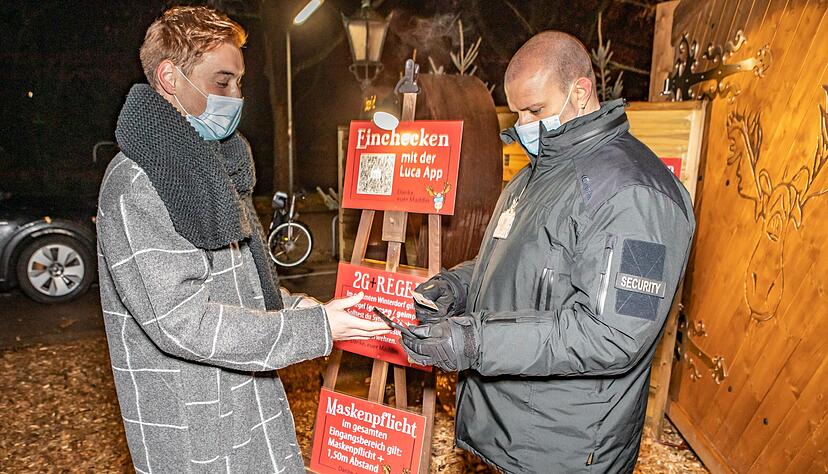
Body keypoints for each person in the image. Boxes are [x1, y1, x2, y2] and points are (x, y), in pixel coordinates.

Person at [96, 7, 390, 473]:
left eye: (238, 82)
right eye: (222, 82)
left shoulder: (206, 169)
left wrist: (301, 309)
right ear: (170, 77)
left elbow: (240, 287)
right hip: (194, 427)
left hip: (245, 402)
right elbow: (182, 321)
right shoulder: (139, 183)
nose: (236, 96)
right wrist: (317, 330)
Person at [401, 31, 696, 473]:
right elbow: (511, 262)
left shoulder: (634, 193)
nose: (523, 126)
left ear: (580, 91)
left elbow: (610, 334)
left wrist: (477, 341)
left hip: (566, 448)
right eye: (517, 113)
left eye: (535, 111)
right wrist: (456, 287)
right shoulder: (536, 176)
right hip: (514, 430)